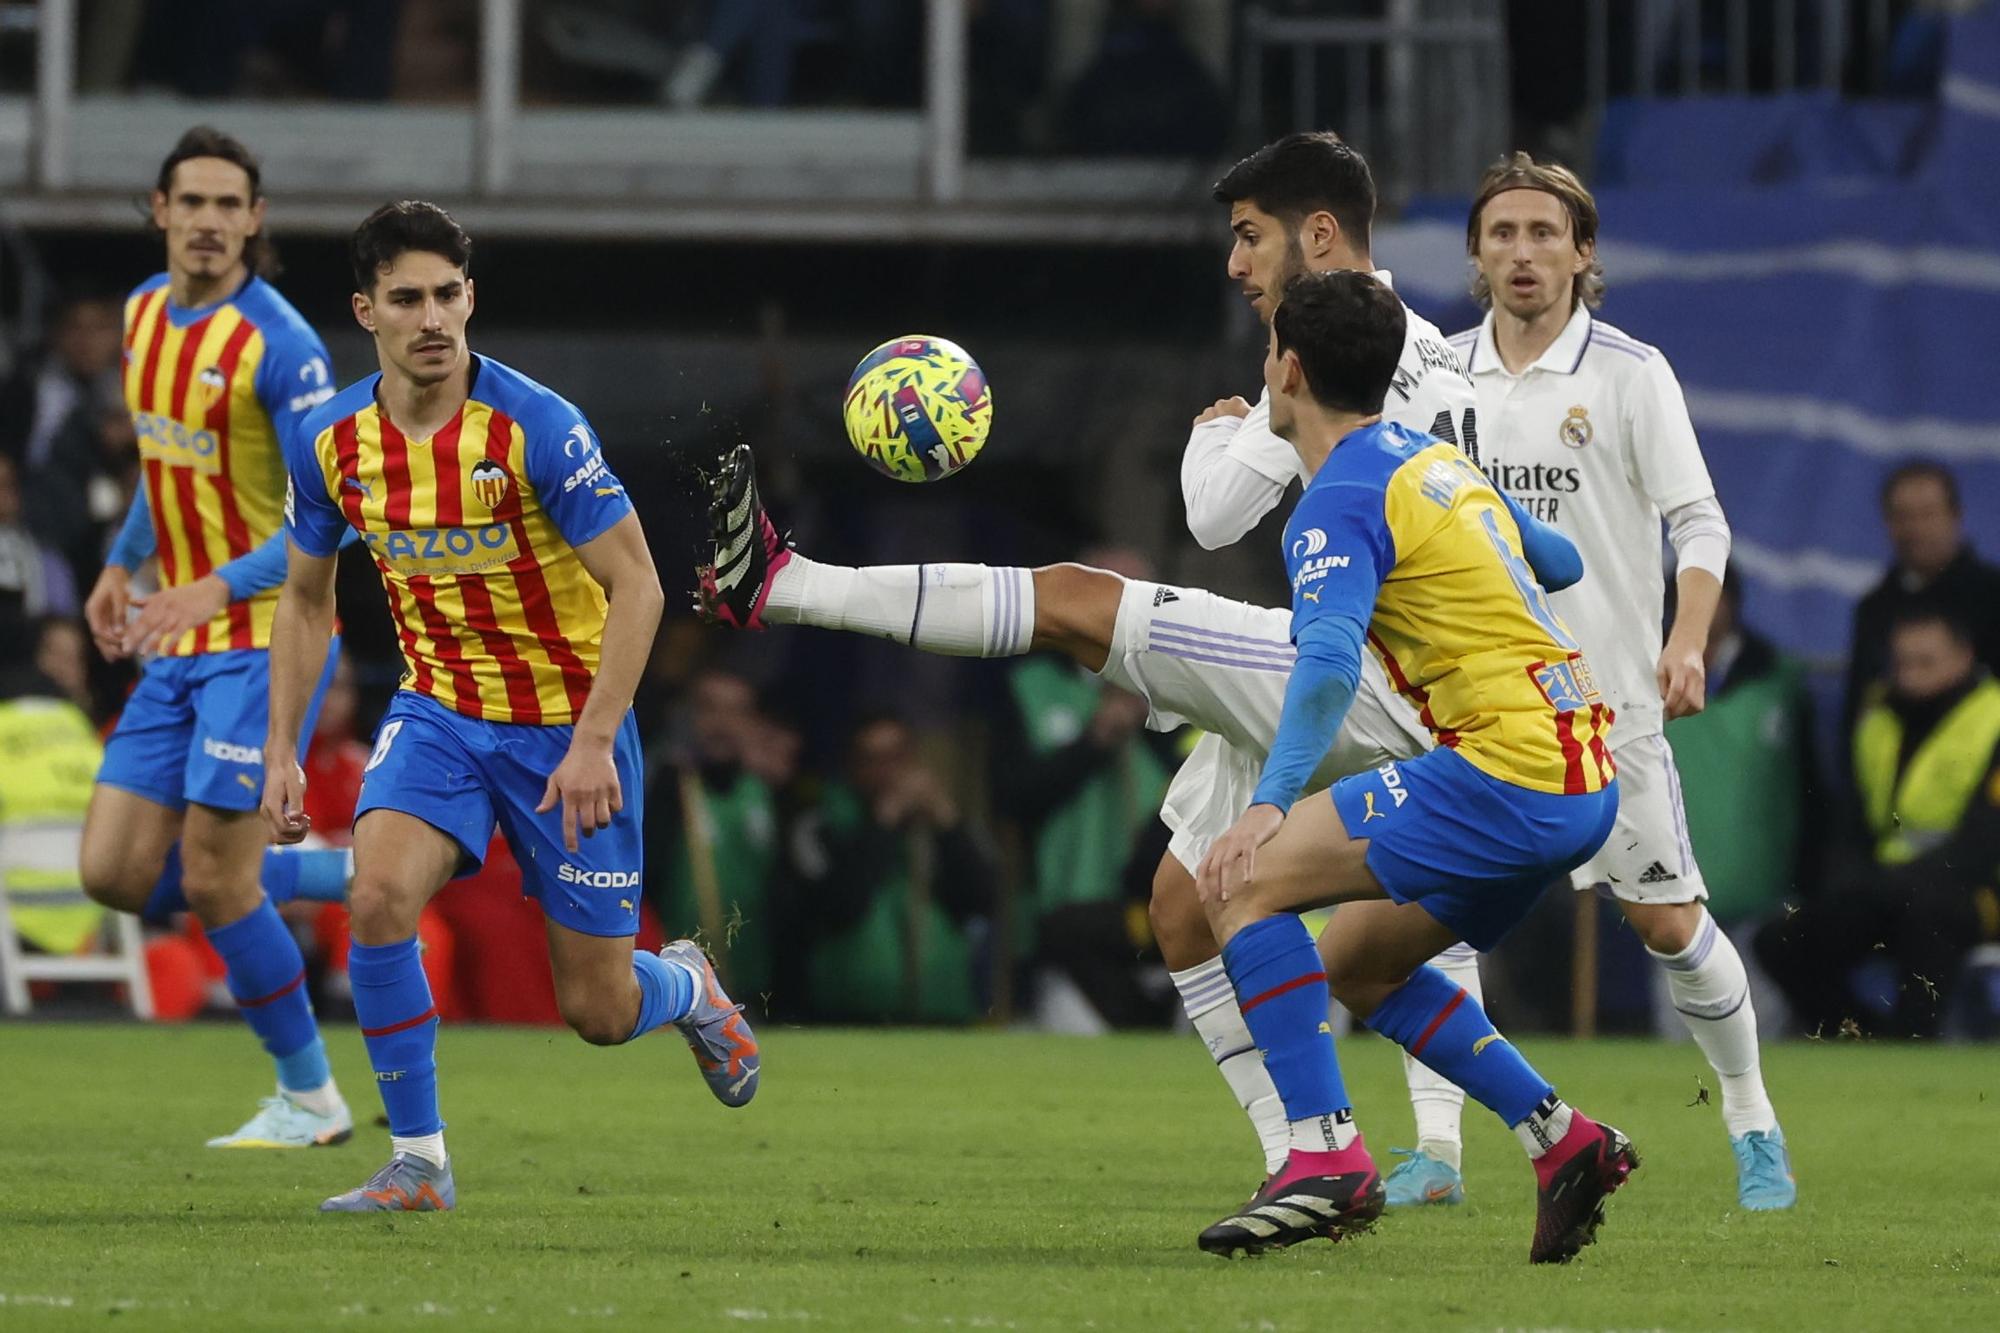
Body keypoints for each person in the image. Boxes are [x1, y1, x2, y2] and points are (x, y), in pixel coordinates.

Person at [704, 131, 1493, 1190]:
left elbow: (1212, 515)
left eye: (1248, 237)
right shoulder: (1444, 351)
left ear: (1318, 235)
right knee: (1182, 908)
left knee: (1076, 602)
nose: (1234, 263)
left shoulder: (1331, 346)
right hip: (1429, 687)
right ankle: (1332, 1156)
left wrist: (1214, 432)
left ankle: (784, 584)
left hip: (1358, 676)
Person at [264, 200, 757, 1214]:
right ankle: (420, 1162)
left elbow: (641, 586)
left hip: (568, 725)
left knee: (599, 1008)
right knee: (376, 896)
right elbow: (306, 601)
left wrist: (587, 743)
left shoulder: (536, 425)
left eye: (448, 293)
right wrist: (281, 748)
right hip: (439, 710)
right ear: (367, 311)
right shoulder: (331, 444)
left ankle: (687, 986)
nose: (432, 316)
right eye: (407, 297)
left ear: (471, 297)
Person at [1189, 268, 1629, 1262]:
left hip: (1505, 770)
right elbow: (1557, 562)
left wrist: (1265, 804)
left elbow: (1329, 662)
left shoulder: (1335, 501)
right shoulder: (1430, 462)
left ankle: (1323, 1156)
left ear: (1286, 369)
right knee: (1357, 963)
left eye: (1269, 353)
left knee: (1246, 883)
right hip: (1581, 773)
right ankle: (1563, 1138)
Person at [1436, 152, 1794, 1211]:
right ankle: (1433, 1151)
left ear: (1581, 253)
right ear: (1475, 254)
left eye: (1543, 233)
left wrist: (1684, 640)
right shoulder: (1439, 376)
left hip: (1603, 706)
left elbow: (1698, 520)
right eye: (1500, 234)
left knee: (1669, 924)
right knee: (1426, 916)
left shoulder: (1629, 373)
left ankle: (1749, 1116)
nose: (1521, 253)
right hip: (1468, 704)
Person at [75, 126, 356, 1149]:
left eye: (227, 205)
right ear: (159, 211)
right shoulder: (144, 315)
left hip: (262, 639)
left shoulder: (283, 349)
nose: (206, 221)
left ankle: (311, 1098)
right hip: (181, 634)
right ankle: (338, 872)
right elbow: (168, 468)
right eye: (189, 202)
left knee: (209, 880)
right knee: (110, 870)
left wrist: (210, 588)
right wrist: (121, 561)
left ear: (254, 219)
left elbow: (328, 520)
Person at [1757, 606, 2000, 1038]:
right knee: (1780, 943)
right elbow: (1851, 823)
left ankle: (1912, 1043)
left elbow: (1985, 840)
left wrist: (1893, 883)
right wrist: (1852, 882)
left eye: (1926, 662)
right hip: (1888, 888)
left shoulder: (1993, 718)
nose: (1910, 675)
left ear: (1965, 657)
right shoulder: (1879, 719)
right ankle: (1863, 1038)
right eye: (1902, 662)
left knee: (1927, 920)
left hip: (1977, 892)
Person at [794, 713, 996, 1024]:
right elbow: (840, 905)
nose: (887, 772)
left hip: (943, 1010)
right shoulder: (822, 826)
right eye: (872, 759)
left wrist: (947, 823)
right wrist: (884, 822)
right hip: (848, 1014)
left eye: (897, 757)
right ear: (851, 767)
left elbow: (984, 901)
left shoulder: (947, 826)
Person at [1842, 461, 2000, 742]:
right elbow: (1858, 711)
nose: (1915, 528)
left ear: (1956, 516)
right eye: (1903, 516)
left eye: (1927, 514)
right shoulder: (1874, 608)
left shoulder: (1992, 595)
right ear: (1887, 523)